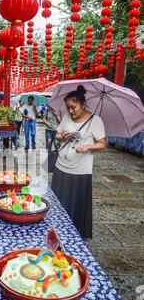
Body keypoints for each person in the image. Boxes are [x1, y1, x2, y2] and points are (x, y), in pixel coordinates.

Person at [51, 85, 106, 239]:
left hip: (80, 169)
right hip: (61, 165)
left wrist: (88, 146)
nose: (70, 111)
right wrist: (64, 137)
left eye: (73, 107)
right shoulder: (67, 118)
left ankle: (74, 236)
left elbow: (102, 143)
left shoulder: (96, 120)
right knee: (59, 200)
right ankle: (56, 231)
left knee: (76, 203)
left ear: (83, 104)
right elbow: (57, 135)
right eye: (68, 108)